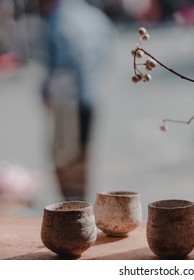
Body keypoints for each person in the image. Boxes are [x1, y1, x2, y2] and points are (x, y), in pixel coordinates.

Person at [39, 0, 113, 201]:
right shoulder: (93, 15)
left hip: (68, 98)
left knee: (65, 157)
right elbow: (107, 49)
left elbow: (64, 64)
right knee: (85, 152)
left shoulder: (59, 19)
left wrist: (47, 94)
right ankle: (82, 205)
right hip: (93, 94)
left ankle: (71, 211)